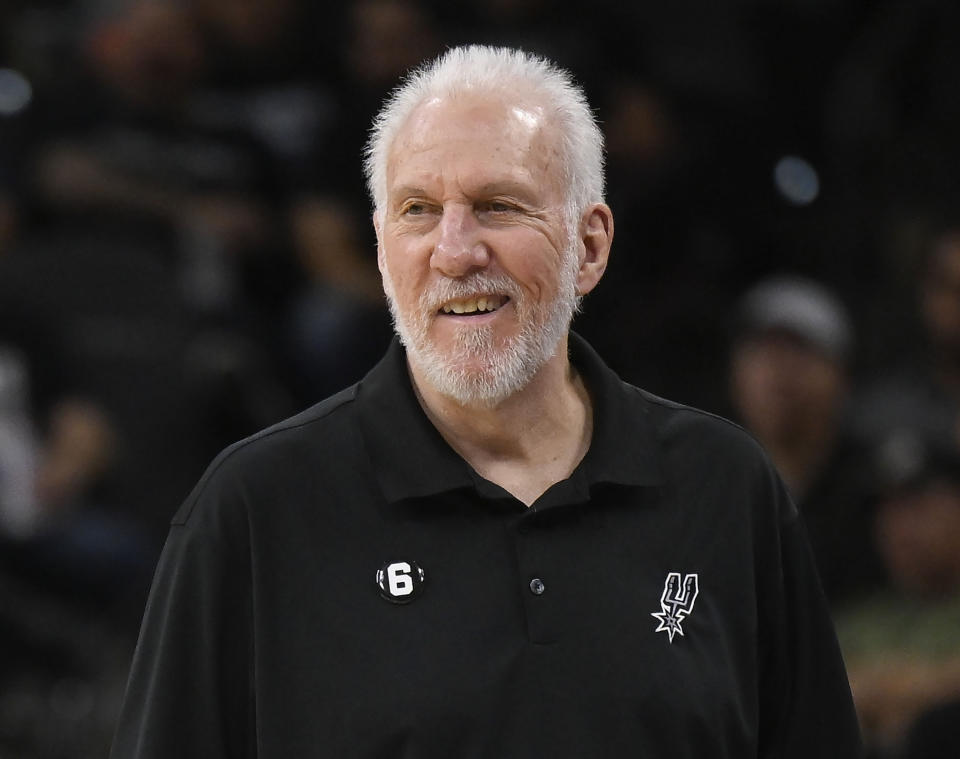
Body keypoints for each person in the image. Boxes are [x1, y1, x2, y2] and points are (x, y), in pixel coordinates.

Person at [110, 45, 862, 757]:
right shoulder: (255, 508)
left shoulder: (725, 486)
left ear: (590, 246)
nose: (455, 250)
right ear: (379, 249)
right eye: (416, 211)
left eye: (498, 206)